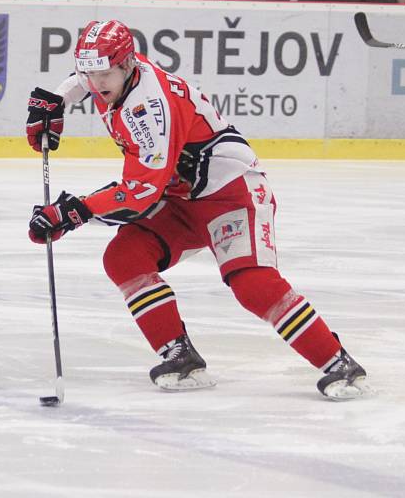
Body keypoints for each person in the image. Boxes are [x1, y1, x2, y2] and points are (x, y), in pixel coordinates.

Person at [24, 20, 370, 400]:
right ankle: (179, 354)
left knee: (251, 282)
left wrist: (75, 212)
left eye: (104, 74)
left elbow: (139, 192)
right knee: (125, 257)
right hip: (181, 197)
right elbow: (83, 78)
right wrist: (56, 98)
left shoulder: (149, 109)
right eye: (89, 74)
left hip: (230, 193)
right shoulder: (119, 72)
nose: (96, 84)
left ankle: (337, 362)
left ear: (127, 65)